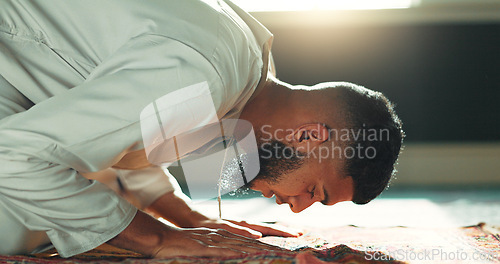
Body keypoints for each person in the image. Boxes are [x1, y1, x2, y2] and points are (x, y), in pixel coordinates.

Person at [0, 0, 403, 259]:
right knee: (18, 228)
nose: (296, 206)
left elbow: (135, 135)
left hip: (20, 74)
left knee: (61, 206)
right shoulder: (200, 77)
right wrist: (156, 239)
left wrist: (189, 218)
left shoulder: (250, 82)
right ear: (309, 135)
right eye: (314, 191)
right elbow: (14, 157)